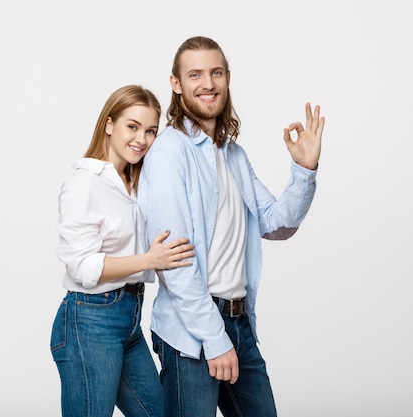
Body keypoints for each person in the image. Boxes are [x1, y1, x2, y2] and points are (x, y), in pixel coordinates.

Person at [136, 36, 325, 417]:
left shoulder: (233, 154)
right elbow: (176, 262)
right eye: (195, 74)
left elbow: (276, 224)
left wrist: (304, 171)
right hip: (191, 333)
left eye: (216, 73)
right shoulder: (170, 153)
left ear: (227, 78)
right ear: (176, 84)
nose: (208, 83)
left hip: (239, 323)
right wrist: (214, 338)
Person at [50, 84, 195, 417]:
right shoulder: (85, 183)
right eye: (132, 126)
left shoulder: (136, 183)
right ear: (110, 125)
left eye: (150, 131)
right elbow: (82, 267)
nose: (141, 139)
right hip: (89, 319)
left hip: (129, 318)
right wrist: (149, 260)